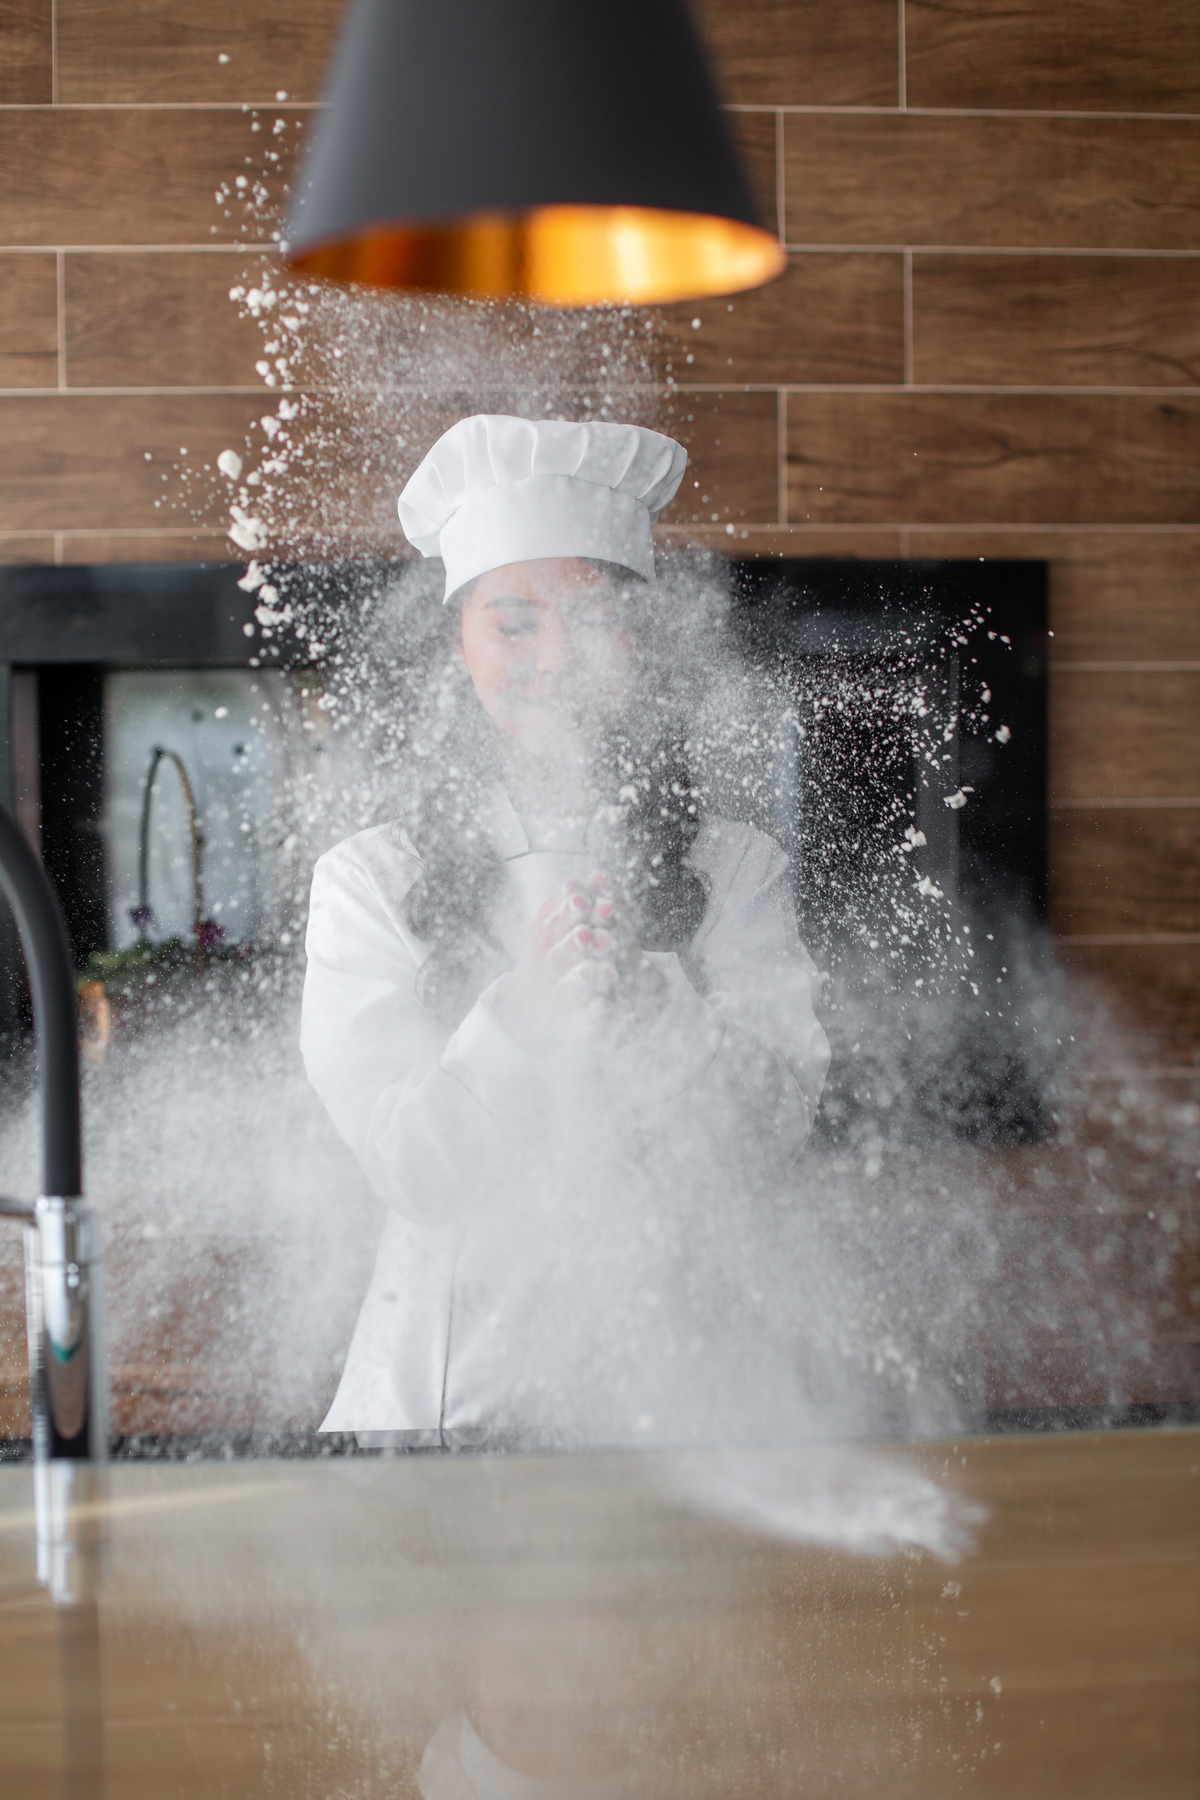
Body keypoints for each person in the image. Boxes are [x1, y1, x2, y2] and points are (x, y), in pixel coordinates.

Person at [301, 414, 830, 1448]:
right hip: (444, 1413)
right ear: (459, 645)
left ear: (642, 640)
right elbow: (407, 1166)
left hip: (693, 1406)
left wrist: (651, 1009)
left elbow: (769, 1136)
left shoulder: (735, 868)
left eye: (593, 622)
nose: (556, 659)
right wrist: (524, 1018)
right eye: (513, 622)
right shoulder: (369, 877)